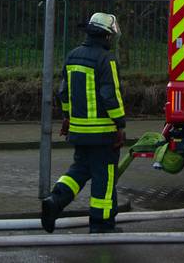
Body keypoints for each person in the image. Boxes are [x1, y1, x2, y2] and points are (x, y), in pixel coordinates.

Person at [40, 12, 126, 235]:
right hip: (103, 133)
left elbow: (64, 92)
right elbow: (110, 96)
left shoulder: (72, 56)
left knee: (79, 170)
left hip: (78, 131)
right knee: (104, 179)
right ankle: (101, 224)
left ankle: (55, 200)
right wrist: (120, 125)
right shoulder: (107, 59)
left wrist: (67, 118)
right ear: (106, 36)